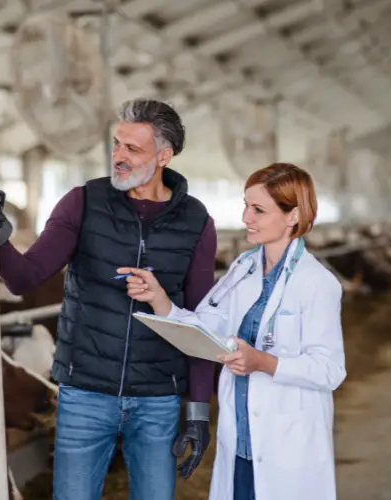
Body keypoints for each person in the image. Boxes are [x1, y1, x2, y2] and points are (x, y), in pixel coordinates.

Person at [0, 98, 218, 500]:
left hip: (158, 397)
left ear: (164, 156)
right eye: (117, 144)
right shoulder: (82, 202)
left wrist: (199, 408)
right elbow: (24, 278)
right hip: (85, 392)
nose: (118, 156)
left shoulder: (197, 221)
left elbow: (201, 321)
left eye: (132, 149)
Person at [118, 162, 347, 500]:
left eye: (258, 210)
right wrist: (160, 300)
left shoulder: (317, 283)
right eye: (245, 205)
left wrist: (263, 362)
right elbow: (207, 326)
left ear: (293, 215)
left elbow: (330, 370)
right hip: (240, 441)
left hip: (287, 447)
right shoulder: (243, 268)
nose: (245, 218)